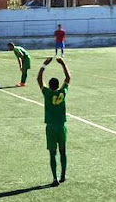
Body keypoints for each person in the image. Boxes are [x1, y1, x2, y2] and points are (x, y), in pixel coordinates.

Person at [37, 57, 71, 187]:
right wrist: (62, 63)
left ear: (49, 86)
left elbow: (39, 79)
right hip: (62, 127)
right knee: (63, 151)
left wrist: (44, 64)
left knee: (52, 153)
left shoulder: (47, 93)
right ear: (58, 86)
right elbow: (68, 78)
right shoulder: (62, 92)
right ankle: (63, 175)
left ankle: (55, 178)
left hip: (51, 127)